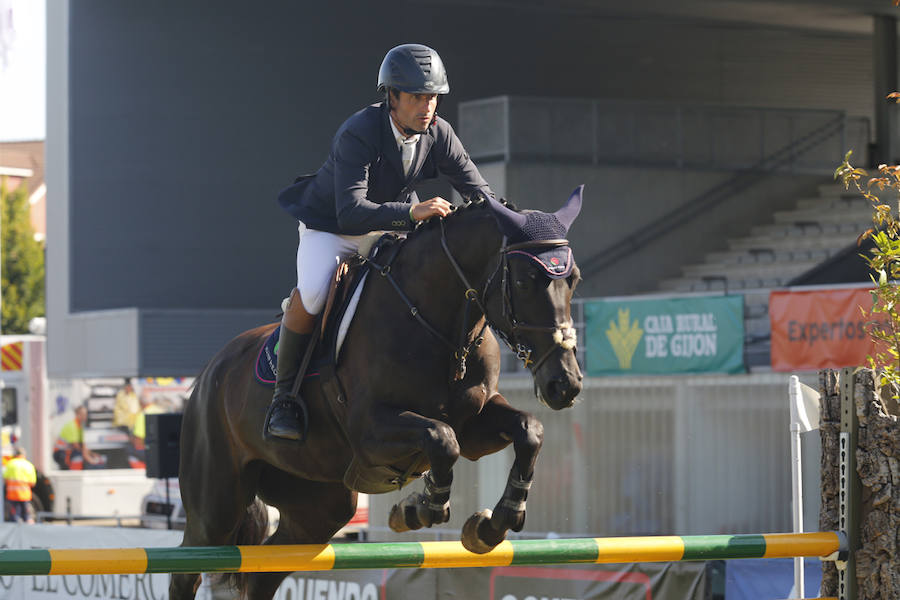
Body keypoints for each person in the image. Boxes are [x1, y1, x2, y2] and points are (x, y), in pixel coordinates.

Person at [269, 43, 495, 441]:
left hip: (391, 227)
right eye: (416, 97)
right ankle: (283, 398)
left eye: (432, 98)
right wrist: (411, 214)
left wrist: (519, 223)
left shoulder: (440, 134)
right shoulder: (359, 132)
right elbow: (352, 212)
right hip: (332, 229)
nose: (427, 107)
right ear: (391, 96)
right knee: (316, 292)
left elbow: (481, 194)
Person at [52, 405, 105, 470]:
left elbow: (83, 446)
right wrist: (88, 458)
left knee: (81, 454)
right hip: (60, 453)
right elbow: (76, 446)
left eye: (86, 414)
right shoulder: (72, 426)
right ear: (78, 414)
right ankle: (74, 473)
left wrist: (92, 454)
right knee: (78, 455)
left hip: (66, 452)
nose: (86, 416)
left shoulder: (80, 427)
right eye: (84, 414)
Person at [127, 395, 164, 469]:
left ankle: (141, 473)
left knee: (129, 450)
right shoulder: (161, 411)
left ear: (141, 403)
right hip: (163, 451)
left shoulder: (143, 414)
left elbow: (139, 441)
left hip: (151, 452)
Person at [3, 447, 36, 522]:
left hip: (13, 496)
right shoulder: (29, 465)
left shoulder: (10, 464)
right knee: (27, 516)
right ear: (24, 455)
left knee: (14, 517)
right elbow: (32, 483)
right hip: (25, 496)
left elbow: (5, 480)